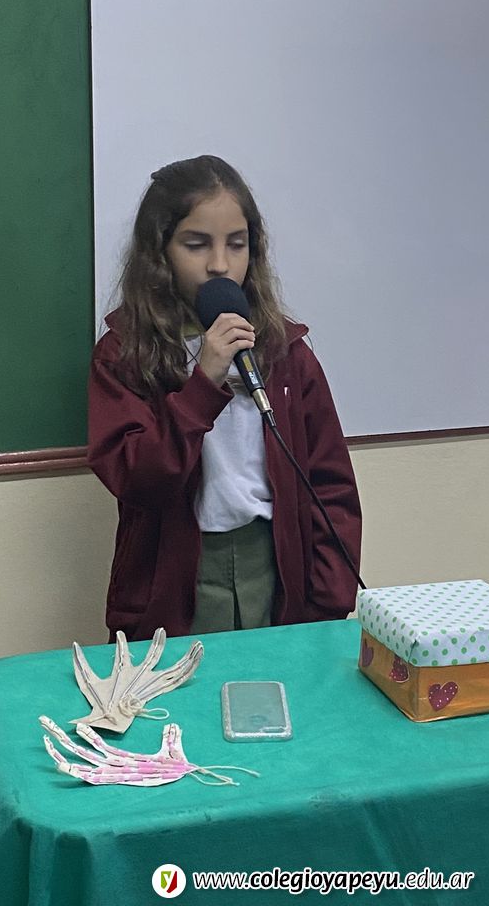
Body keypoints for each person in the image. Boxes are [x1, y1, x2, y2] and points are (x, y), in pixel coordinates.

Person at [88, 155, 362, 641]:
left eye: (237, 244)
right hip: (178, 577)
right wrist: (204, 381)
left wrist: (328, 600)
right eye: (196, 245)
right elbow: (137, 479)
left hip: (274, 568)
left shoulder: (285, 352)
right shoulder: (124, 353)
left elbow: (331, 486)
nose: (219, 264)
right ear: (160, 252)